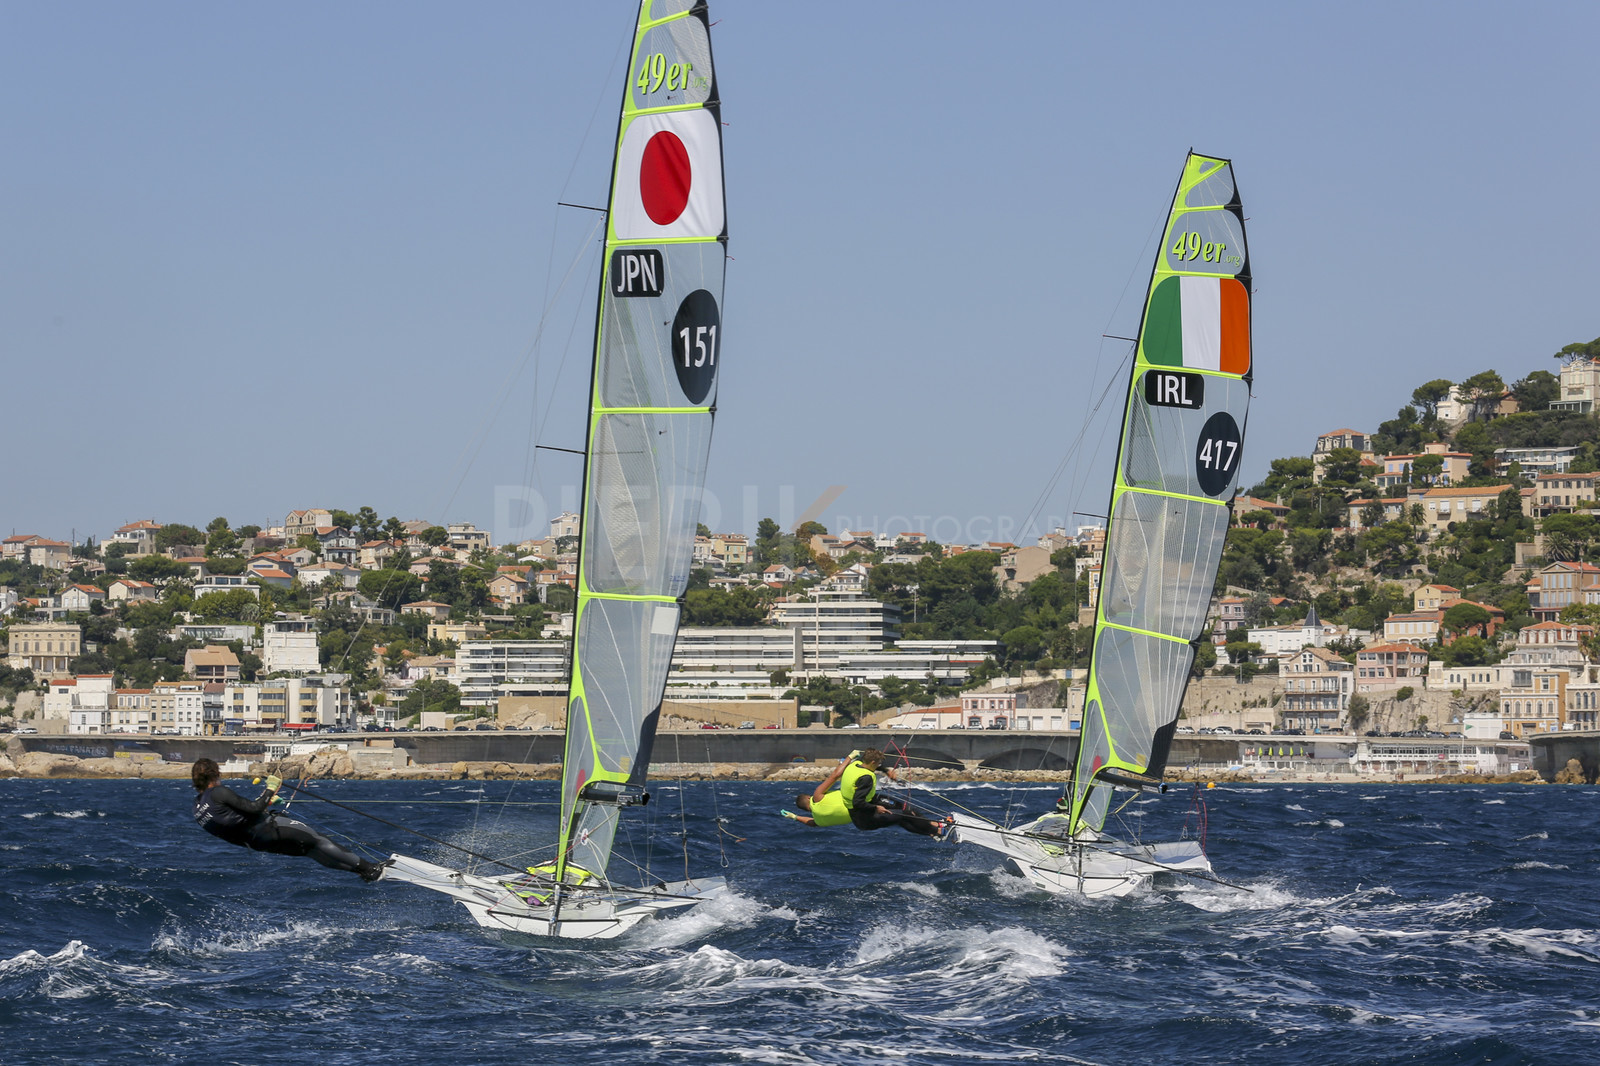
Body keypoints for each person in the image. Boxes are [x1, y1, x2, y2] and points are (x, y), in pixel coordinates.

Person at [191, 758, 387, 881]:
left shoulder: (197, 808)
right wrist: (270, 789)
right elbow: (254, 808)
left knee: (310, 851)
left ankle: (362, 873)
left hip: (258, 844)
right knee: (318, 840)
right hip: (269, 829)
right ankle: (370, 869)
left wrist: (267, 802)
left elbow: (234, 820)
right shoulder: (218, 792)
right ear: (215, 773)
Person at [784, 748, 948, 837]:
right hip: (864, 812)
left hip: (867, 803)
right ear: (809, 798)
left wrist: (795, 817)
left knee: (903, 809)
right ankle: (936, 831)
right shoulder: (817, 797)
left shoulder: (819, 820)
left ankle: (934, 825)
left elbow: (811, 823)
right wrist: (849, 757)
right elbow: (835, 775)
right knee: (904, 815)